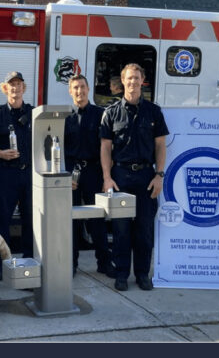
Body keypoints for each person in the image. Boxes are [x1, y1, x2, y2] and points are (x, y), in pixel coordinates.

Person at [100, 63, 168, 291]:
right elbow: (105, 148)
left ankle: (142, 274)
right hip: (120, 176)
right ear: (123, 81)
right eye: (129, 78)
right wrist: (107, 177)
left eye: (136, 78)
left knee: (144, 230)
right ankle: (121, 274)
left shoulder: (154, 112)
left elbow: (160, 146)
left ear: (142, 81)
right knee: (120, 231)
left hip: (147, 177)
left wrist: (159, 175)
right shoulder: (111, 113)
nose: (132, 82)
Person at [0, 71, 34, 281]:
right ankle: (1, 264)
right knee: (2, 221)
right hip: (6, 175)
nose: (15, 88)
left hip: (29, 174)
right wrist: (1, 153)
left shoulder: (34, 113)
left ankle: (30, 260)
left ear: (24, 88)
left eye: (19, 84)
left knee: (30, 221)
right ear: (5, 88)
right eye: (11, 85)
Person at [64, 75, 115, 278]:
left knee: (97, 220)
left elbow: (109, 147)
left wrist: (106, 176)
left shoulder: (101, 114)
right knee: (72, 221)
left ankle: (104, 262)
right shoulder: (64, 117)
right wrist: (65, 176)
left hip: (94, 172)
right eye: (75, 88)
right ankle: (71, 264)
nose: (79, 91)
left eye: (83, 87)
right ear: (70, 91)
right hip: (72, 177)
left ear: (88, 89)